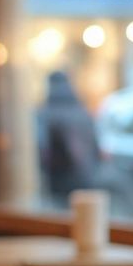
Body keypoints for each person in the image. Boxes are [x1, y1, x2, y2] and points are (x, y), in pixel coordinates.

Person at [36, 70, 100, 206]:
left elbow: (41, 147)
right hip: (85, 175)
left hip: (60, 177)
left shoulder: (47, 112)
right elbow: (95, 142)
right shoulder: (81, 109)